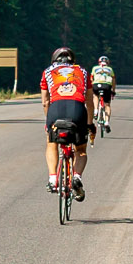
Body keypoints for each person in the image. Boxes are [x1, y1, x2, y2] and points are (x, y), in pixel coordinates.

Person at [41, 46, 94, 200]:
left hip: (55, 109)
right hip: (77, 110)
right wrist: (90, 124)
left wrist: (48, 122)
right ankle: (77, 177)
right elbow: (89, 101)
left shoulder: (48, 72)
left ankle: (52, 179)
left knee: (51, 142)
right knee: (81, 150)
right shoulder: (83, 72)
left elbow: (45, 102)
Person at [90, 55, 117, 133]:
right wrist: (113, 90)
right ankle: (107, 122)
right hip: (106, 86)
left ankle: (95, 110)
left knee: (95, 95)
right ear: (107, 63)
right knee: (107, 105)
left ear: (99, 62)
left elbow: (91, 78)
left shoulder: (95, 68)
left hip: (96, 85)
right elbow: (113, 81)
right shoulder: (110, 69)